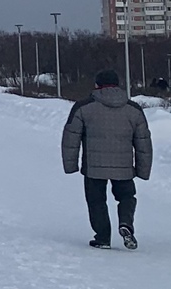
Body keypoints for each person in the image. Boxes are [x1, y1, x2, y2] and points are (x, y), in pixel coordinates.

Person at [62, 70, 153, 249]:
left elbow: (70, 138)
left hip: (94, 167)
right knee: (126, 196)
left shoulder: (83, 107)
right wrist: (143, 170)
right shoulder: (133, 109)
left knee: (96, 201)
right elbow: (143, 143)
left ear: (97, 85)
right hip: (124, 167)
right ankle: (125, 223)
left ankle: (103, 237)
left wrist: (70, 165)